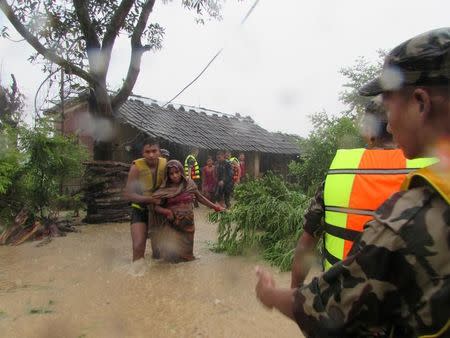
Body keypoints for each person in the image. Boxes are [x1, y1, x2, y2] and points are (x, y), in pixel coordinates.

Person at [255, 27, 450, 337]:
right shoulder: (434, 175)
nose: (389, 121)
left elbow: (321, 297)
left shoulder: (409, 210)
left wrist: (276, 294)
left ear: (421, 103)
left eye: (390, 107)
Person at [290, 98, 436, 288]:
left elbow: (307, 242)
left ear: (369, 131)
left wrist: (295, 292)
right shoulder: (432, 171)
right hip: (407, 308)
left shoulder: (339, 173)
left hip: (341, 302)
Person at [151, 160, 224, 262]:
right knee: (171, 259)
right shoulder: (165, 189)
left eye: (177, 172)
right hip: (173, 226)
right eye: (171, 174)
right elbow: (156, 207)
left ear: (181, 171)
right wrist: (167, 212)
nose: (175, 176)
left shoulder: (189, 184)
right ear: (167, 175)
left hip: (188, 226)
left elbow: (201, 198)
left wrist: (215, 207)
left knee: (188, 258)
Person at [124, 139, 167, 261]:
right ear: (142, 153)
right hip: (140, 209)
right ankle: (137, 275)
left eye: (154, 151)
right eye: (147, 152)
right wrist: (150, 199)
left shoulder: (166, 165)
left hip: (159, 211)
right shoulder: (136, 168)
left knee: (159, 253)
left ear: (160, 152)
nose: (151, 155)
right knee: (138, 247)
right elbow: (128, 194)